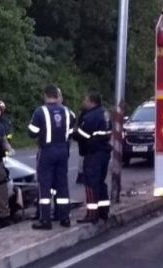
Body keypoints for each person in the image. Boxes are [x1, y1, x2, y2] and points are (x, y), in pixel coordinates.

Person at [28, 84, 75, 229]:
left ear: (45, 95)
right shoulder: (67, 112)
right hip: (62, 150)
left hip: (47, 150)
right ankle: (64, 217)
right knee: (62, 184)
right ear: (57, 96)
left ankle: (45, 219)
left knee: (45, 186)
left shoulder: (40, 111)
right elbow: (72, 130)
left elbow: (32, 132)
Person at [73, 90, 112, 223]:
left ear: (91, 101)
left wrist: (72, 133)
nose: (83, 101)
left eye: (85, 99)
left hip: (93, 153)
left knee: (90, 184)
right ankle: (103, 211)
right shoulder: (104, 113)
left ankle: (92, 214)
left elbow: (82, 135)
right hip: (103, 152)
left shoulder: (91, 117)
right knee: (100, 183)